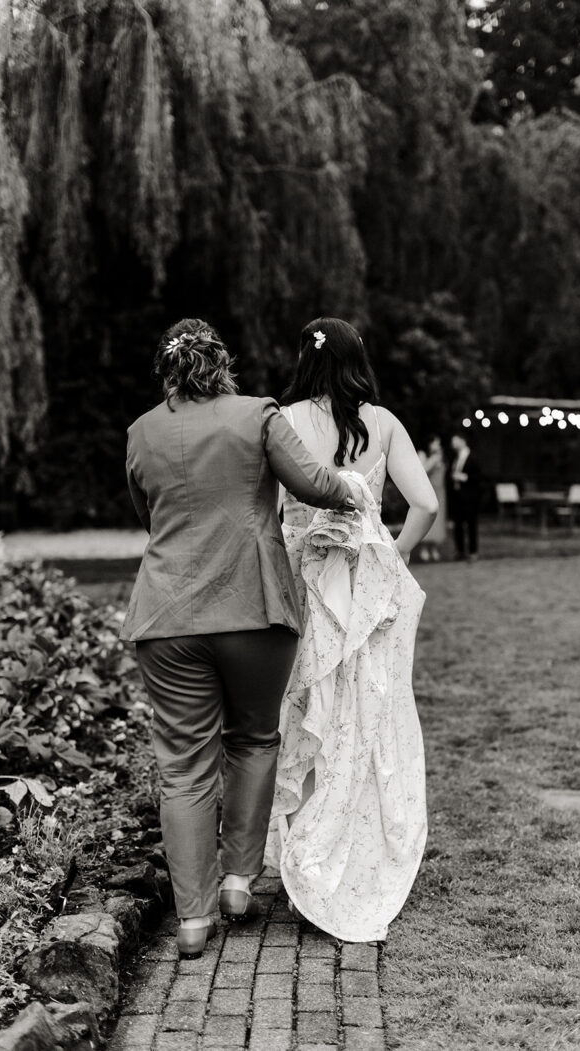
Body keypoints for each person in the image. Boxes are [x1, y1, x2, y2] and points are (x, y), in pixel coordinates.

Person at [121, 317, 360, 959]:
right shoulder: (258, 414)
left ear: (167, 370)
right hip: (253, 608)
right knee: (253, 739)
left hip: (167, 617)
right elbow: (315, 484)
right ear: (221, 363)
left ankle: (193, 923)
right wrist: (355, 491)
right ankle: (236, 880)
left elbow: (150, 516)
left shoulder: (141, 432)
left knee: (182, 770)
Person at [264, 317, 438, 942]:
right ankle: (339, 844)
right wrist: (391, 553)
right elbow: (427, 505)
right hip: (362, 591)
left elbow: (269, 511)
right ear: (357, 361)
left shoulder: (279, 419)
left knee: (305, 706)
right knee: (362, 714)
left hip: (297, 581)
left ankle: (299, 852)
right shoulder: (383, 423)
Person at [448, 433, 481, 562]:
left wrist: (463, 477)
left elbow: (478, 477)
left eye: (455, 441)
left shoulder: (473, 457)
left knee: (471, 524)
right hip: (457, 496)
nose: (453, 444)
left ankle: (473, 551)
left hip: (470, 497)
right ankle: (460, 551)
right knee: (458, 524)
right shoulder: (455, 458)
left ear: (463, 441)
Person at [417, 437, 447, 561]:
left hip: (440, 492)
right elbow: (423, 470)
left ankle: (434, 548)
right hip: (430, 491)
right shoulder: (426, 456)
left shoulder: (440, 457)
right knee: (427, 518)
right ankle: (424, 548)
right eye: (435, 442)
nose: (438, 445)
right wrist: (434, 459)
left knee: (438, 520)